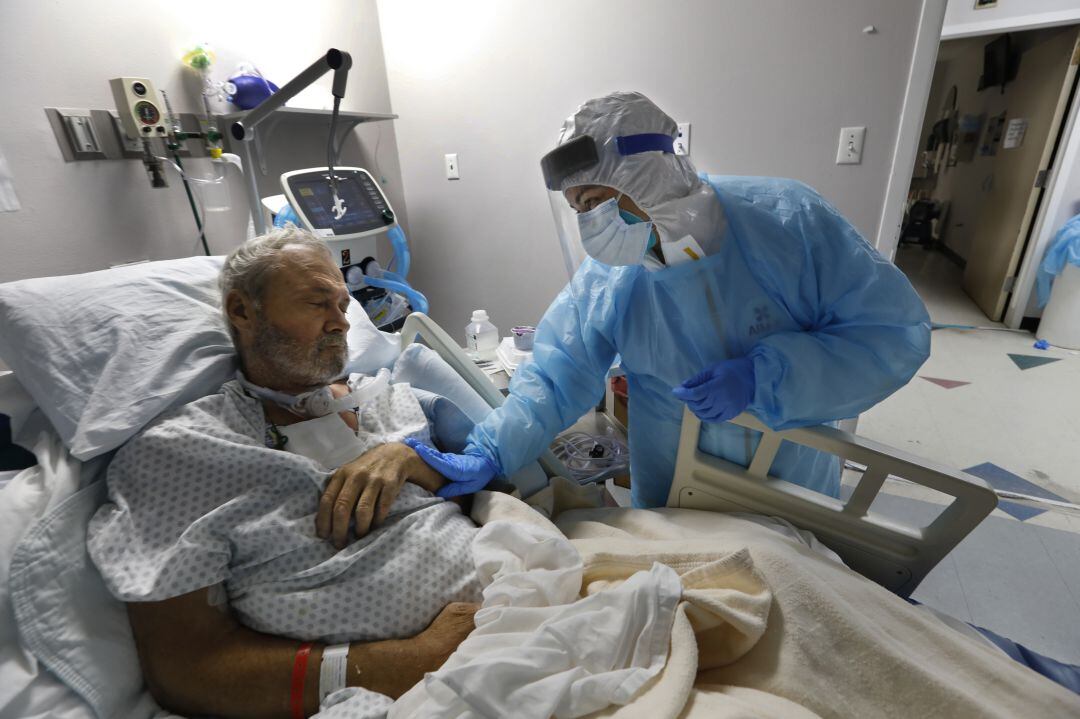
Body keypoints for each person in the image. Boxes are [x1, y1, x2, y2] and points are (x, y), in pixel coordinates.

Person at [408, 91, 932, 508]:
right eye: (576, 209)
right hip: (675, 493)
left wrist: (766, 378)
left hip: (789, 484)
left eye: (593, 201)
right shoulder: (611, 279)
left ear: (647, 173)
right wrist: (489, 449)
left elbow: (890, 335)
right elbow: (554, 375)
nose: (590, 224)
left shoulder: (787, 220)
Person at [87, 228, 480, 718]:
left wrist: (415, 462)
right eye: (318, 304)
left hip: (515, 598)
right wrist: (408, 661)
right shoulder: (183, 453)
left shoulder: (385, 396)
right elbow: (186, 667)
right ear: (242, 312)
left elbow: (481, 487)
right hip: (415, 685)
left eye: (342, 304)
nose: (339, 322)